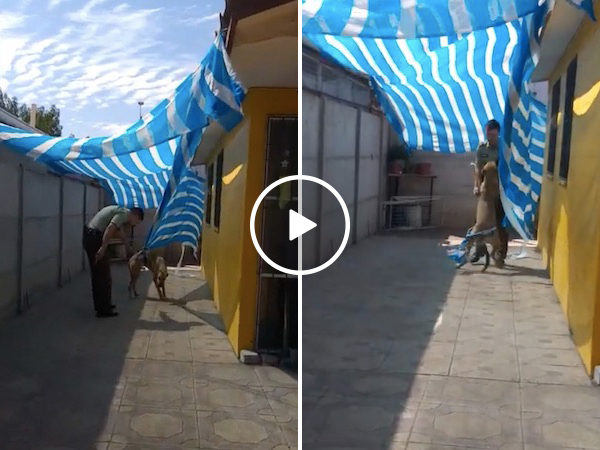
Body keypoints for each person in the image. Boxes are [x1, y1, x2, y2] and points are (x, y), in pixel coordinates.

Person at [83, 205, 144, 317]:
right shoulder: (124, 214)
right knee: (101, 275)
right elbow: (110, 228)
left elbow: (120, 232)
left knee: (102, 274)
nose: (134, 225)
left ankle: (104, 305)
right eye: (137, 222)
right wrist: (103, 248)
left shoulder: (122, 212)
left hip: (92, 235)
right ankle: (103, 310)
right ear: (136, 216)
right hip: (94, 237)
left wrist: (128, 247)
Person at [471, 119, 509, 263]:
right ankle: (479, 250)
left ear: (498, 133)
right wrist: (476, 186)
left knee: (500, 223)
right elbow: (478, 169)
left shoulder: (504, 148)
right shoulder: (482, 148)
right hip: (485, 191)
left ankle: (500, 253)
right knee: (479, 222)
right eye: (488, 135)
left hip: (500, 192)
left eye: (493, 135)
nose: (490, 138)